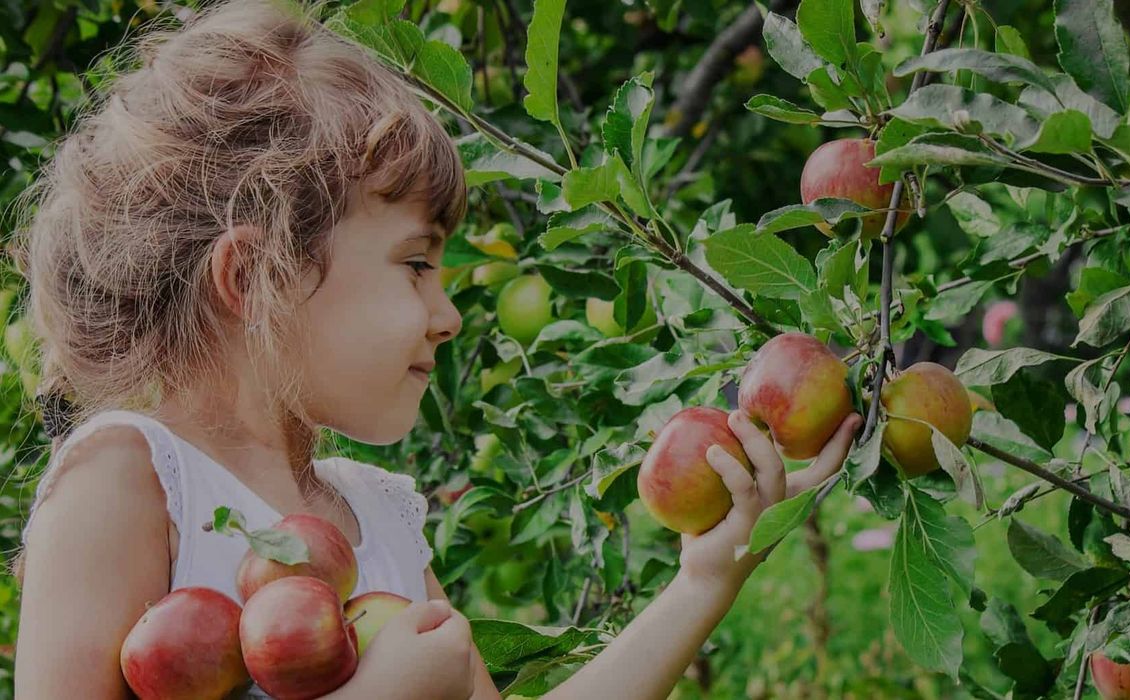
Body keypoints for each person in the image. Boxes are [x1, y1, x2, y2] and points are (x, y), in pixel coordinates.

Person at [9, 1, 863, 697]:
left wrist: (705, 580)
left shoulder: (372, 517)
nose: (447, 314)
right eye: (415, 264)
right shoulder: (132, 482)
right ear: (255, 276)